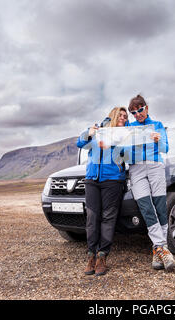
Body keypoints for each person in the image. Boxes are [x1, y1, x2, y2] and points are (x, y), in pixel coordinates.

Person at [126, 94, 175, 272]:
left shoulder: (158, 125)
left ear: (146, 108)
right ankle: (163, 248)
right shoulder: (129, 127)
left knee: (160, 206)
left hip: (155, 166)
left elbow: (165, 148)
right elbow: (117, 136)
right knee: (146, 207)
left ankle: (157, 251)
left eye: (140, 110)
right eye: (133, 112)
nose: (137, 114)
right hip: (136, 168)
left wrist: (158, 140)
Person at [76, 107, 128, 276]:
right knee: (92, 217)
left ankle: (102, 256)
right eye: (120, 115)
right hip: (92, 179)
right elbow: (80, 143)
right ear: (113, 116)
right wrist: (89, 133)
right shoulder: (97, 130)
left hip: (112, 180)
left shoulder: (125, 135)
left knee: (108, 217)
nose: (123, 118)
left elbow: (128, 155)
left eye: (125, 116)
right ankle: (90, 255)